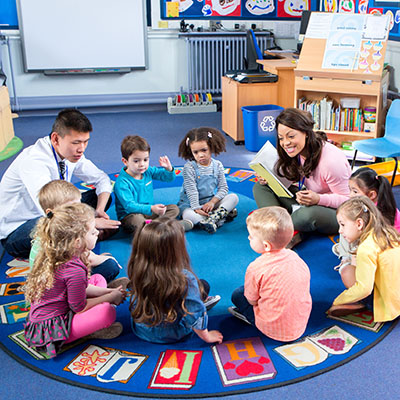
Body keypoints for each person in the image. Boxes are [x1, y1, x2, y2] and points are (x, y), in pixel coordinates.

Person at [0, 108, 120, 259]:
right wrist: (91, 221)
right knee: (58, 226)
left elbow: (101, 179)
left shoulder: (71, 153)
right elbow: (52, 213)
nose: (81, 149)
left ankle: (81, 237)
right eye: (76, 143)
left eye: (85, 142)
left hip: (58, 210)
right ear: (56, 139)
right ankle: (84, 237)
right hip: (21, 228)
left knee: (103, 197)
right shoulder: (34, 161)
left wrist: (100, 211)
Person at [23, 203, 127, 358]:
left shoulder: (60, 254)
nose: (97, 233)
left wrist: (108, 291)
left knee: (97, 278)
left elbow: (83, 289)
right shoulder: (74, 270)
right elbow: (80, 307)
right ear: (77, 242)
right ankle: (91, 331)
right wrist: (110, 297)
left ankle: (108, 292)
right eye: (92, 232)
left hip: (54, 312)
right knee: (106, 312)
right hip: (52, 331)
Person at [253, 108, 351, 243]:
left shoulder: (331, 162)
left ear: (306, 133)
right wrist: (269, 177)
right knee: (261, 187)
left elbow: (348, 201)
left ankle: (276, 226)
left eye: (291, 136)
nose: (285, 143)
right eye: (281, 138)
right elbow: (293, 177)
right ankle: (285, 227)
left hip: (336, 212)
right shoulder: (297, 151)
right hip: (307, 199)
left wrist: (318, 199)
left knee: (307, 215)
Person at [127, 218, 223, 344]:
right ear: (174, 250)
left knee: (201, 285)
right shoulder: (184, 278)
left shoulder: (137, 266)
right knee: (201, 288)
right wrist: (207, 336)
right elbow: (194, 312)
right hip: (172, 332)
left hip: (142, 329)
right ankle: (200, 303)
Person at [229, 206, 312, 342]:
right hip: (300, 324)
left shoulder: (256, 267)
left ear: (266, 246)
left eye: (252, 236)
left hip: (272, 329)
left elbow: (252, 300)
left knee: (238, 294)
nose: (249, 237)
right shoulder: (296, 258)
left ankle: (253, 320)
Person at [29, 180, 121, 283]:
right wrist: (109, 260)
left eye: (79, 204)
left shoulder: (49, 227)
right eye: (71, 208)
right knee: (110, 266)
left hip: (48, 283)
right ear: (50, 211)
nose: (77, 210)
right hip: (59, 289)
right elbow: (90, 259)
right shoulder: (65, 234)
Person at [328, 196, 400, 319]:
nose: (340, 230)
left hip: (390, 305)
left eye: (343, 225)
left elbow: (364, 289)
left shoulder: (366, 248)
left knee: (347, 271)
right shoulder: (389, 233)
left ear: (359, 223)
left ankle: (363, 304)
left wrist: (339, 300)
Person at [113, 135, 190, 234]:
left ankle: (153, 228)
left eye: (145, 160)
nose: (142, 164)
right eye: (136, 161)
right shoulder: (122, 182)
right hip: (131, 216)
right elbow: (129, 206)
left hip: (149, 213)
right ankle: (169, 227)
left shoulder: (147, 171)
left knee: (174, 209)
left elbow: (168, 178)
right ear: (125, 161)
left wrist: (168, 169)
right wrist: (151, 208)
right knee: (138, 221)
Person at [332, 167, 400, 270]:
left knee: (347, 225)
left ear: (372, 194)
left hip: (382, 251)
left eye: (355, 192)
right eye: (350, 190)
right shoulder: (386, 204)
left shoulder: (370, 213)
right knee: (346, 225)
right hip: (390, 250)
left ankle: (346, 257)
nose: (350, 195)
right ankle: (346, 252)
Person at [177, 127, 239, 234]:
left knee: (233, 198)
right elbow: (191, 190)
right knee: (188, 215)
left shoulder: (217, 165)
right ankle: (219, 217)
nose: (200, 155)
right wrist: (196, 208)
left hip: (209, 203)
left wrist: (212, 202)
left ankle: (213, 218)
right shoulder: (189, 167)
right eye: (195, 152)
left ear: (211, 147)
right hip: (190, 205)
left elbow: (223, 188)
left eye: (204, 150)